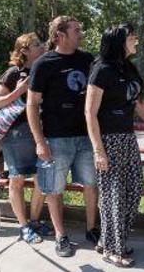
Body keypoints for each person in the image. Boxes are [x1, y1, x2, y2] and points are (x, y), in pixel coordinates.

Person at [85, 24, 144, 268]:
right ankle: (112, 249)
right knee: (113, 194)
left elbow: (135, 100)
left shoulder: (127, 67)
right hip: (108, 139)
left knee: (135, 187)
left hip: (127, 138)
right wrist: (98, 149)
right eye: (131, 37)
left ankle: (109, 240)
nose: (136, 40)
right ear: (119, 41)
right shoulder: (101, 70)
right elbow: (90, 111)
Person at [27, 16, 98, 258]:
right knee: (54, 188)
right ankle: (61, 235)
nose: (81, 33)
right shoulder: (43, 64)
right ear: (60, 34)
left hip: (86, 136)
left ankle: (92, 229)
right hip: (56, 138)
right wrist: (39, 141)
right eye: (76, 30)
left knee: (91, 184)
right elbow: (32, 105)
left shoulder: (87, 59)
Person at [0, 33, 53, 244]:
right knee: (17, 180)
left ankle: (34, 221)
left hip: (41, 130)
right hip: (17, 133)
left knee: (42, 179)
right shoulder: (13, 73)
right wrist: (19, 90)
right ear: (24, 50)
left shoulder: (44, 69)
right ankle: (24, 226)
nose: (42, 46)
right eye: (37, 44)